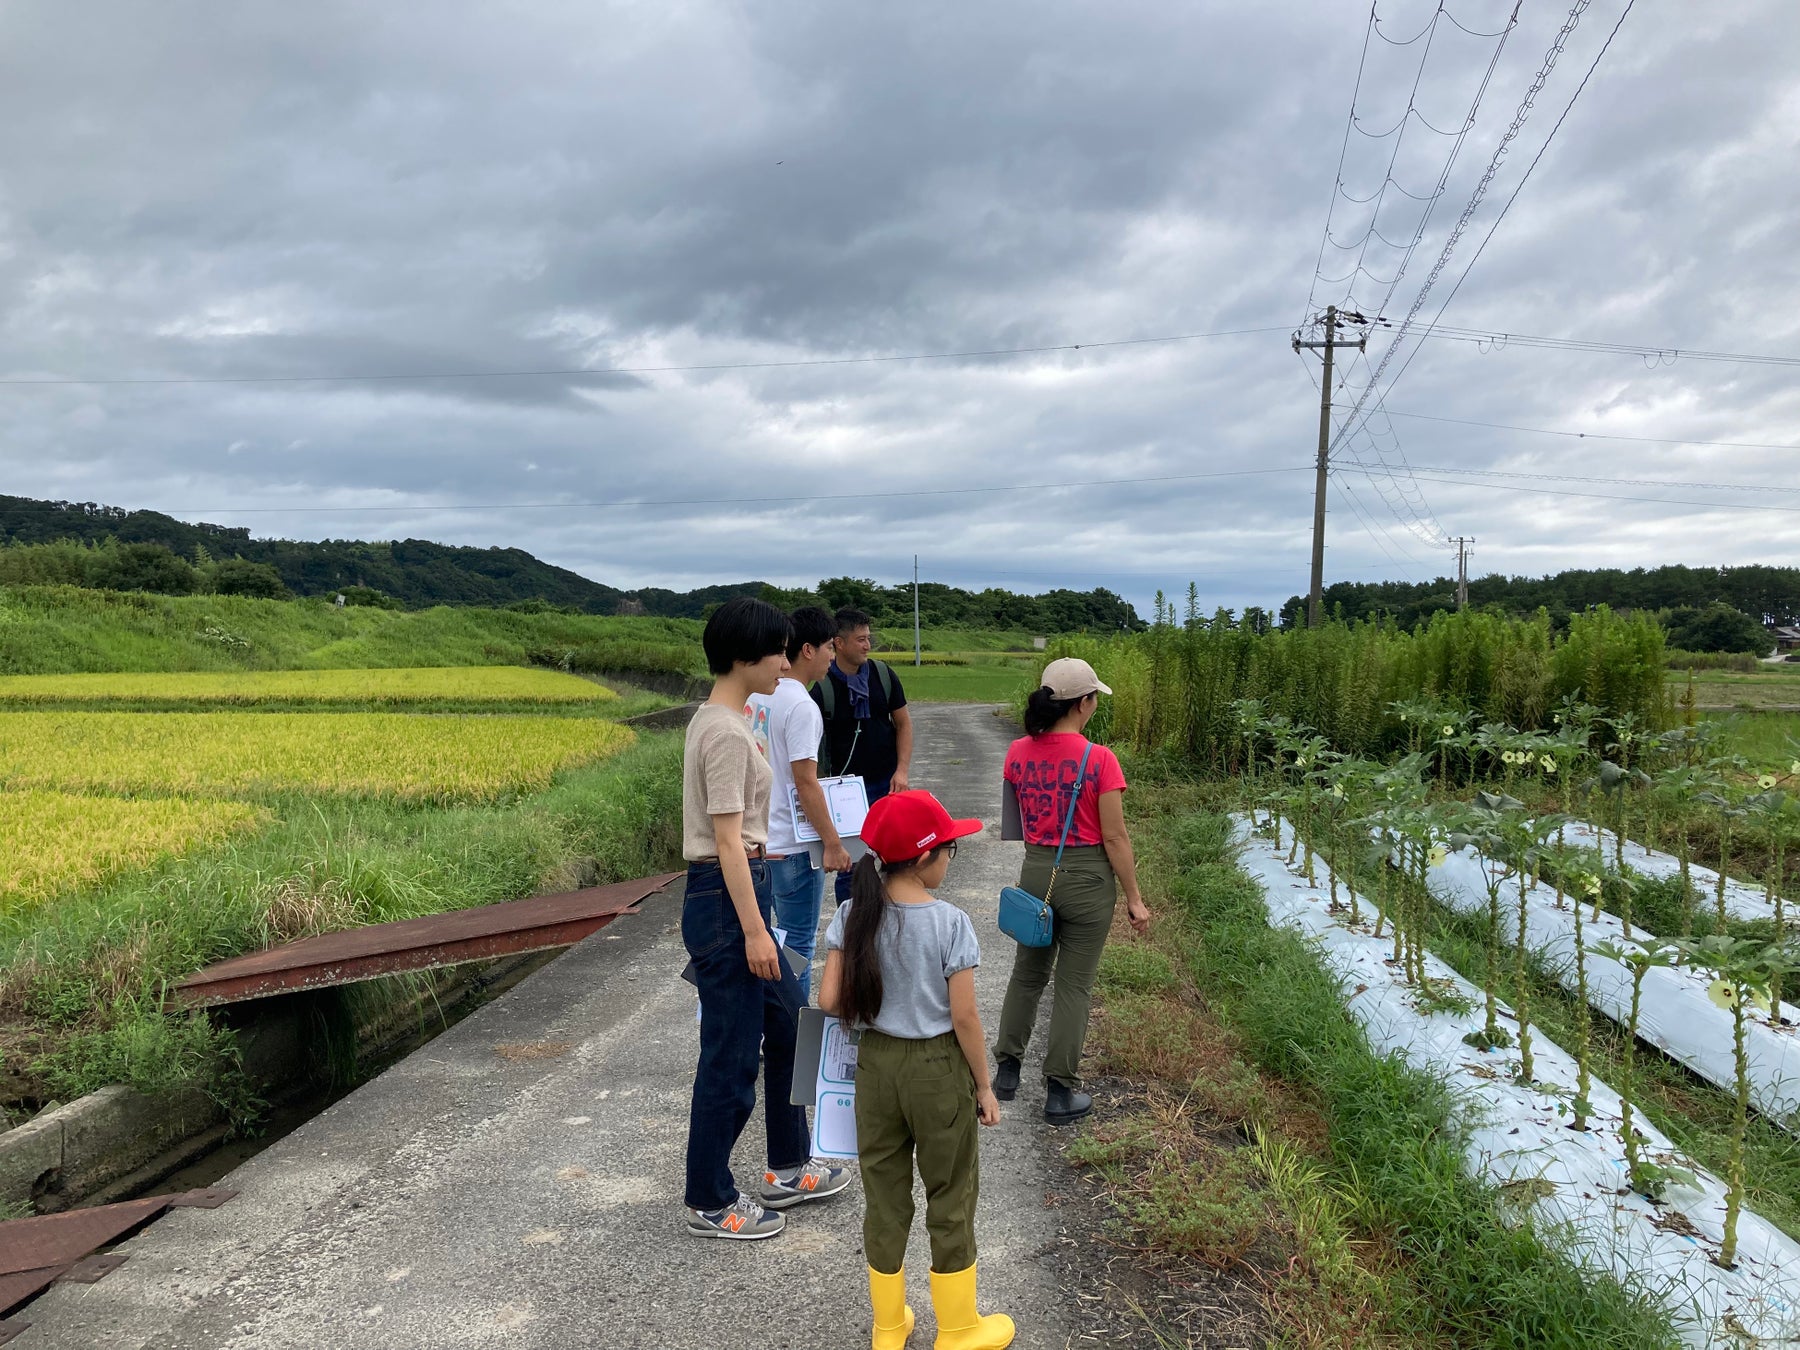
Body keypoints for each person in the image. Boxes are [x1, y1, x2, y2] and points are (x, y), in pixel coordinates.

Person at [819, 791, 1014, 1350]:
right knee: (950, 1194)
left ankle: (888, 1328)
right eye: (949, 849)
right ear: (927, 857)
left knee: (884, 1198)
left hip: (875, 1067)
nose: (951, 859)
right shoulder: (949, 922)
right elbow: (966, 1018)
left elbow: (829, 998)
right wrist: (983, 1084)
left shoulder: (855, 914)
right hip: (936, 1070)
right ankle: (956, 1330)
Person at [681, 597, 850, 1240]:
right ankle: (709, 1196)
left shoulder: (732, 716)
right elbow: (726, 840)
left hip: (738, 885)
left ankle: (787, 1164)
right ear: (746, 655)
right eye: (778, 650)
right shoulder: (723, 729)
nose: (787, 661)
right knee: (729, 1055)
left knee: (788, 1021)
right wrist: (756, 931)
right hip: (728, 898)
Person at [993, 657, 1150, 1126]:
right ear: (1083, 703)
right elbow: (1116, 837)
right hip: (1087, 878)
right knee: (1074, 985)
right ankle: (1059, 1093)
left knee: (1027, 974)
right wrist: (1135, 900)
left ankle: (1006, 1072)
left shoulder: (1017, 752)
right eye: (1094, 697)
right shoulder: (1098, 759)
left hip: (1037, 870)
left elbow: (1012, 826)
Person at [744, 605, 852, 986]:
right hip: (792, 848)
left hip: (755, 844)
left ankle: (767, 1024)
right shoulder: (802, 706)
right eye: (828, 647)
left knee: (761, 944)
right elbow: (806, 782)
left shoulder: (756, 696)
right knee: (798, 947)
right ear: (807, 650)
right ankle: (788, 1029)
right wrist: (833, 843)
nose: (832, 657)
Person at [814, 606, 913, 904]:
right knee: (852, 866)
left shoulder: (883, 675)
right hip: (845, 792)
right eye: (860, 639)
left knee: (895, 857)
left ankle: (890, 916)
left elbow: (904, 723)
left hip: (887, 783)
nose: (867, 645)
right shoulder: (822, 688)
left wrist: (902, 770)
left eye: (868, 638)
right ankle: (852, 925)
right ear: (839, 643)